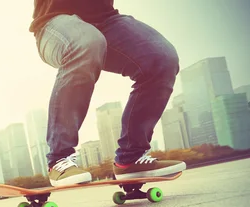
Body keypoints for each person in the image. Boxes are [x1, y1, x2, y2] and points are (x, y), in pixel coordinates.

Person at [31, 0, 186, 186]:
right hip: (53, 23)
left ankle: (131, 157)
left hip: (107, 20)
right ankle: (59, 158)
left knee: (161, 58)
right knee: (86, 42)